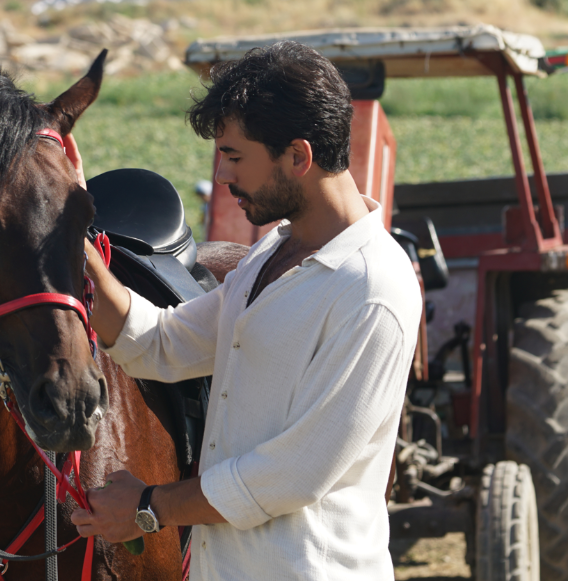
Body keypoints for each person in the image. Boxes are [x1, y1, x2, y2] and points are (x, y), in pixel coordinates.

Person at [68, 41, 422, 580]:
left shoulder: (372, 289)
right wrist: (77, 245)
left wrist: (150, 507)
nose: (224, 177)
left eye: (235, 156)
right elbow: (160, 343)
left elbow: (293, 475)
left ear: (299, 157)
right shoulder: (270, 256)